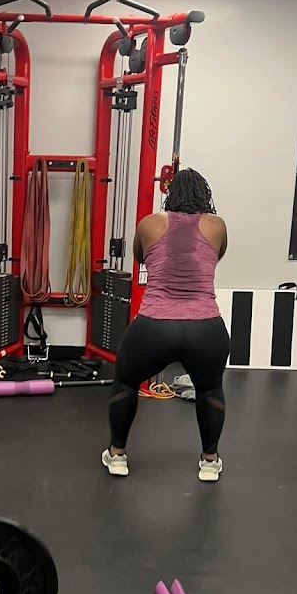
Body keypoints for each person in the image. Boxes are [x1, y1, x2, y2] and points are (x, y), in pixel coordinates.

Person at [102, 168, 229, 482]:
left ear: (170, 194)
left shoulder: (149, 223)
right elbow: (216, 256)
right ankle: (209, 462)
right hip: (205, 328)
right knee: (210, 388)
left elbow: (140, 257)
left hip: (155, 326)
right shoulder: (217, 226)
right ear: (205, 196)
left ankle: (117, 455)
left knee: (126, 382)